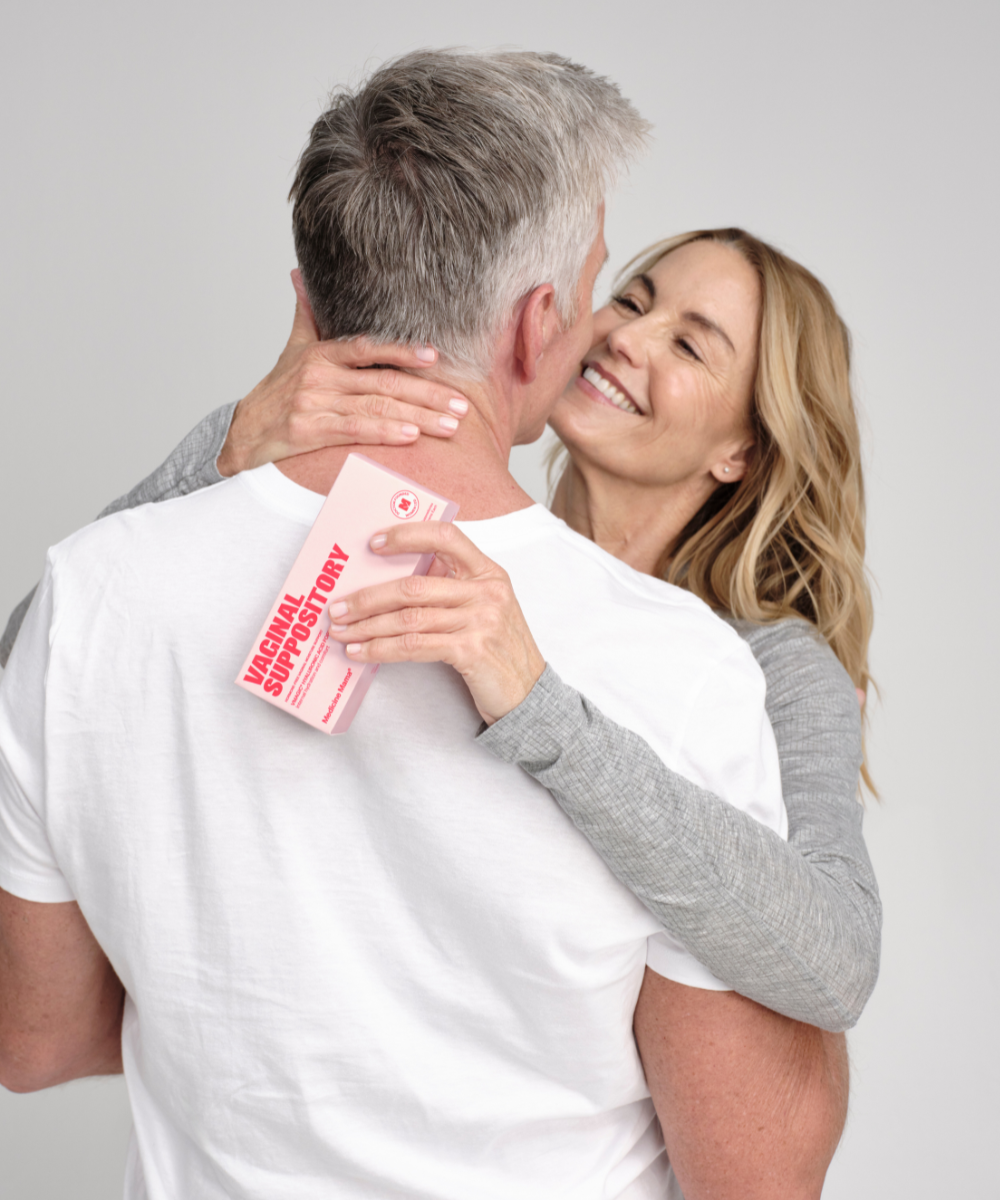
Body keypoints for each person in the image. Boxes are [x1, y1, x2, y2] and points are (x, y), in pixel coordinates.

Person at [0, 50, 848, 1200]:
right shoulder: (683, 674)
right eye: (614, 288)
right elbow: (756, 1170)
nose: (619, 332)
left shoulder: (93, 595)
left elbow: (37, 1040)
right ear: (538, 322)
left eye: (690, 342)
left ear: (309, 291)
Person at [2, 232, 881, 1037]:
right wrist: (228, 449)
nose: (627, 338)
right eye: (633, 298)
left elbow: (836, 963)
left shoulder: (773, 668)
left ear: (744, 452)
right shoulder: (420, 545)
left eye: (689, 344)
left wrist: (540, 712)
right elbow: (43, 671)